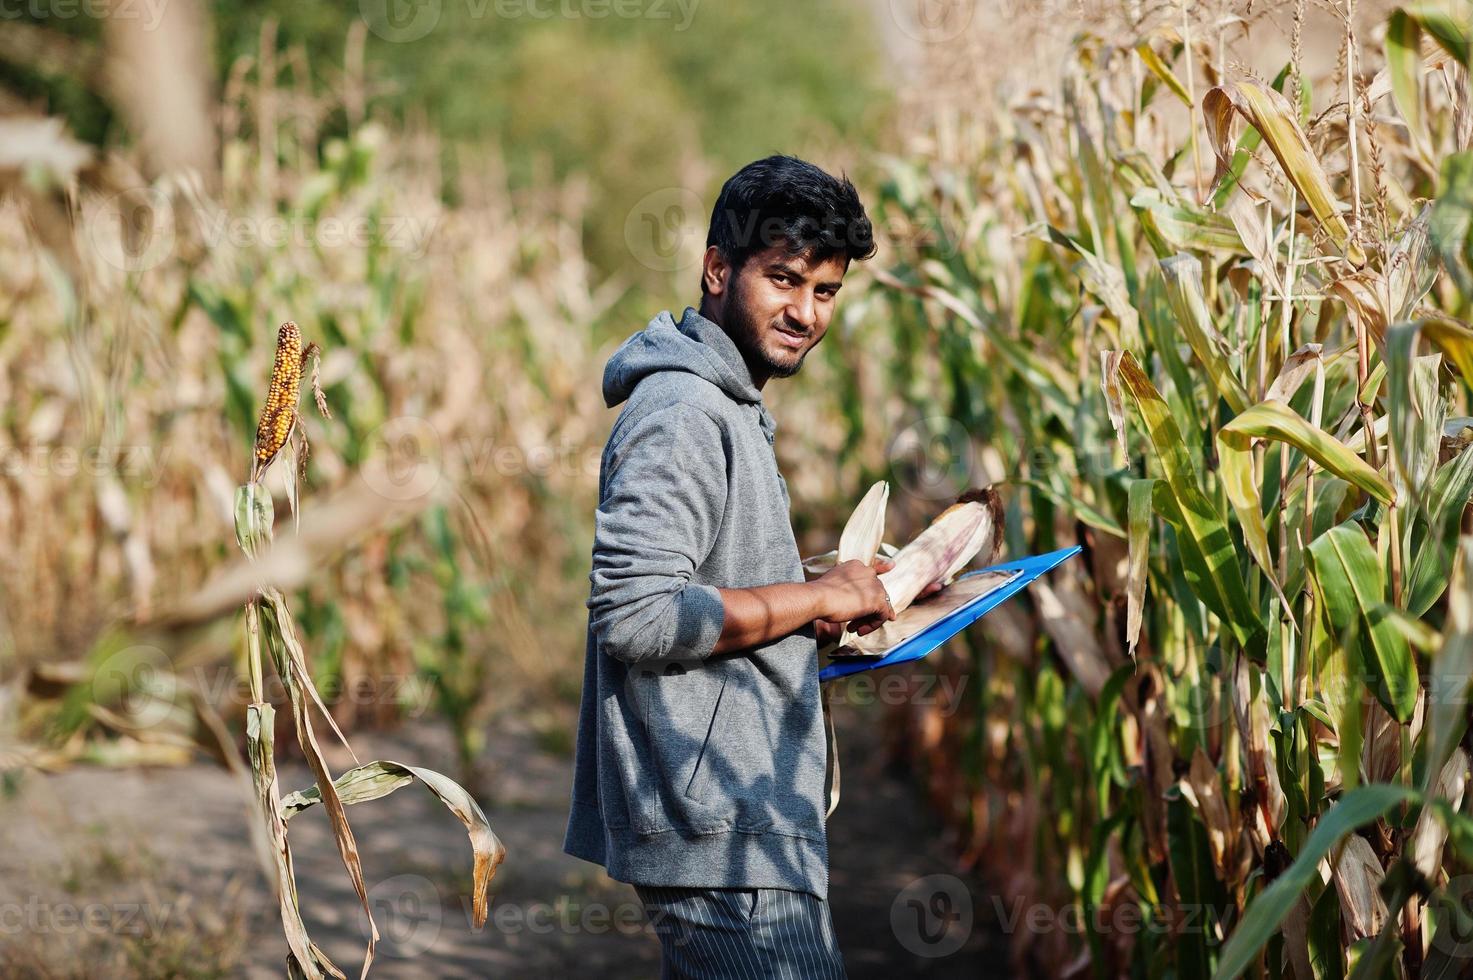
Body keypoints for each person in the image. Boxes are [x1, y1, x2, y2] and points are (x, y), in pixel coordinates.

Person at [564, 154, 928, 978]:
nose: (804, 312)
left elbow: (704, 580)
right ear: (717, 269)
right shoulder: (685, 414)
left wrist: (823, 597)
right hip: (723, 833)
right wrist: (810, 596)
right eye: (784, 280)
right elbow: (638, 615)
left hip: (738, 821)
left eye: (825, 292)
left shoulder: (726, 407)